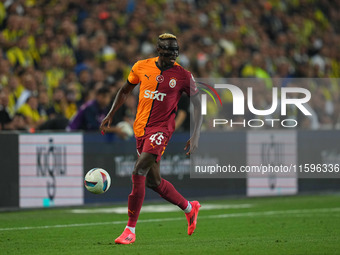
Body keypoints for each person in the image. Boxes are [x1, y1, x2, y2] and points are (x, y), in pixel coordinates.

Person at [100, 33, 203, 244]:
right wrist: (111, 113)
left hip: (162, 129)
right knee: (154, 182)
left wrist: (196, 134)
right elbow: (125, 90)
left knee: (138, 170)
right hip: (140, 129)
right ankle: (190, 208)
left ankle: (130, 230)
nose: (170, 56)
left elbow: (198, 104)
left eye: (174, 52)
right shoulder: (141, 67)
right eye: (166, 52)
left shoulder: (183, 76)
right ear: (158, 50)